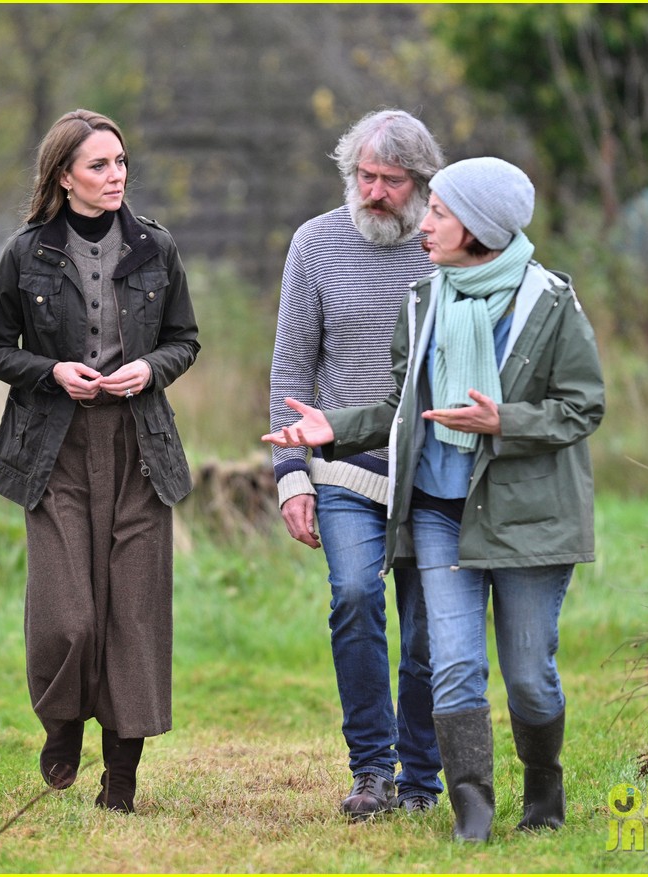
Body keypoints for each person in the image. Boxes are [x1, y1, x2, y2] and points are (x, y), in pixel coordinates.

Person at [263, 157, 605, 842]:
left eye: (441, 213)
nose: (427, 224)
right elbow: (400, 406)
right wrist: (335, 429)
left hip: (527, 518)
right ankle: (470, 810)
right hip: (439, 512)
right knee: (452, 662)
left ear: (479, 227)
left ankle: (543, 782)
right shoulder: (424, 302)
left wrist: (504, 420)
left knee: (530, 674)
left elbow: (582, 406)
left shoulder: (550, 302)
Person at [0, 109, 198, 814]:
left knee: (133, 615)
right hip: (54, 449)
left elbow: (185, 338)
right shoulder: (25, 253)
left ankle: (122, 780)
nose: (115, 176)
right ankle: (62, 722)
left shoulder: (156, 248)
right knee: (68, 616)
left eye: (121, 163)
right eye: (99, 165)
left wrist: (150, 371)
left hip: (140, 447)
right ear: (63, 176)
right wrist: (51, 371)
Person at [268, 109, 444, 819]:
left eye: (391, 181)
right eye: (364, 176)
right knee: (354, 597)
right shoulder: (315, 244)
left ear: (422, 185)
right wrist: (291, 475)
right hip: (342, 468)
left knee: (430, 626)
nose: (374, 191)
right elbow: (290, 365)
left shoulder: (449, 247)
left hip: (433, 473)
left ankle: (424, 777)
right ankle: (372, 768)